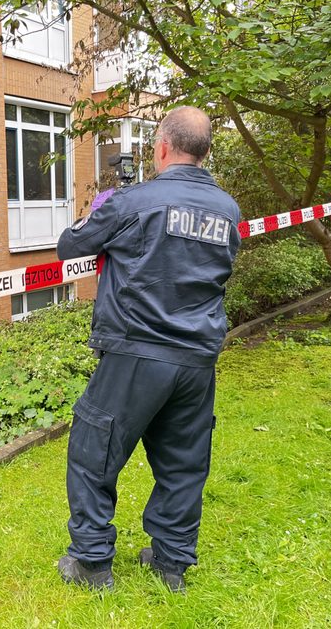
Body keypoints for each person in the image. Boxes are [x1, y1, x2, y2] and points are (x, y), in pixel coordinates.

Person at [55, 106, 241, 593]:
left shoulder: (134, 202)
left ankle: (92, 562)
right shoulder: (227, 210)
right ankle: (171, 563)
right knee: (183, 459)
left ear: (161, 147)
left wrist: (100, 207)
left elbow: (70, 247)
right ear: (204, 152)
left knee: (94, 452)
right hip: (197, 358)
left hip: (138, 350)